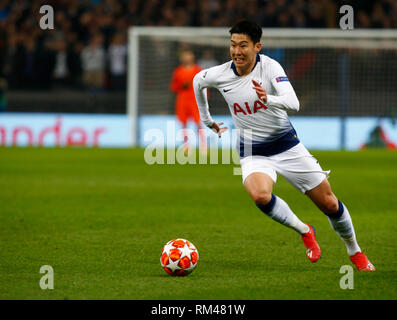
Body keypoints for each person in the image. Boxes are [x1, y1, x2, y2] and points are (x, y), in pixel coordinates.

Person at [193, 20, 375, 271]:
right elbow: (197, 81)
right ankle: (304, 230)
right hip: (253, 149)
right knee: (260, 195)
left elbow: (293, 103)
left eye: (243, 45)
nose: (236, 51)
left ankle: (355, 251)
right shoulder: (220, 73)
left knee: (330, 204)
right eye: (233, 45)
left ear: (257, 47)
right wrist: (207, 119)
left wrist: (268, 98)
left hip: (286, 145)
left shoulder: (270, 68)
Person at [170, 49, 205, 151]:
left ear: (192, 57)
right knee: (183, 123)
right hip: (182, 100)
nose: (187, 58)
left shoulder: (198, 70)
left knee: (198, 122)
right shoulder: (178, 71)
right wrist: (181, 86)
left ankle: (203, 144)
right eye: (185, 56)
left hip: (195, 100)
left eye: (189, 55)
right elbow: (173, 87)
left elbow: (203, 86)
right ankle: (186, 145)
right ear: (182, 58)